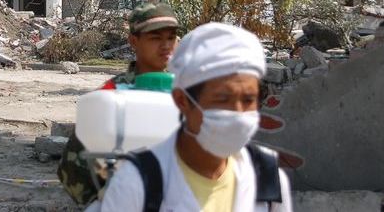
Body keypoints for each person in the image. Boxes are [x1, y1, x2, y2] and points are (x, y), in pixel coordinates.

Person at [100, 22, 292, 211]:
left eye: (249, 99)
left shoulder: (267, 178)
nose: (238, 113)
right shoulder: (136, 183)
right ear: (182, 101)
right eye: (222, 99)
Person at [58, 3, 180, 208]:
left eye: (170, 38)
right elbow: (72, 164)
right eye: (155, 38)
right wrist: (101, 202)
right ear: (134, 41)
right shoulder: (111, 94)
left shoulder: (187, 92)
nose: (166, 45)